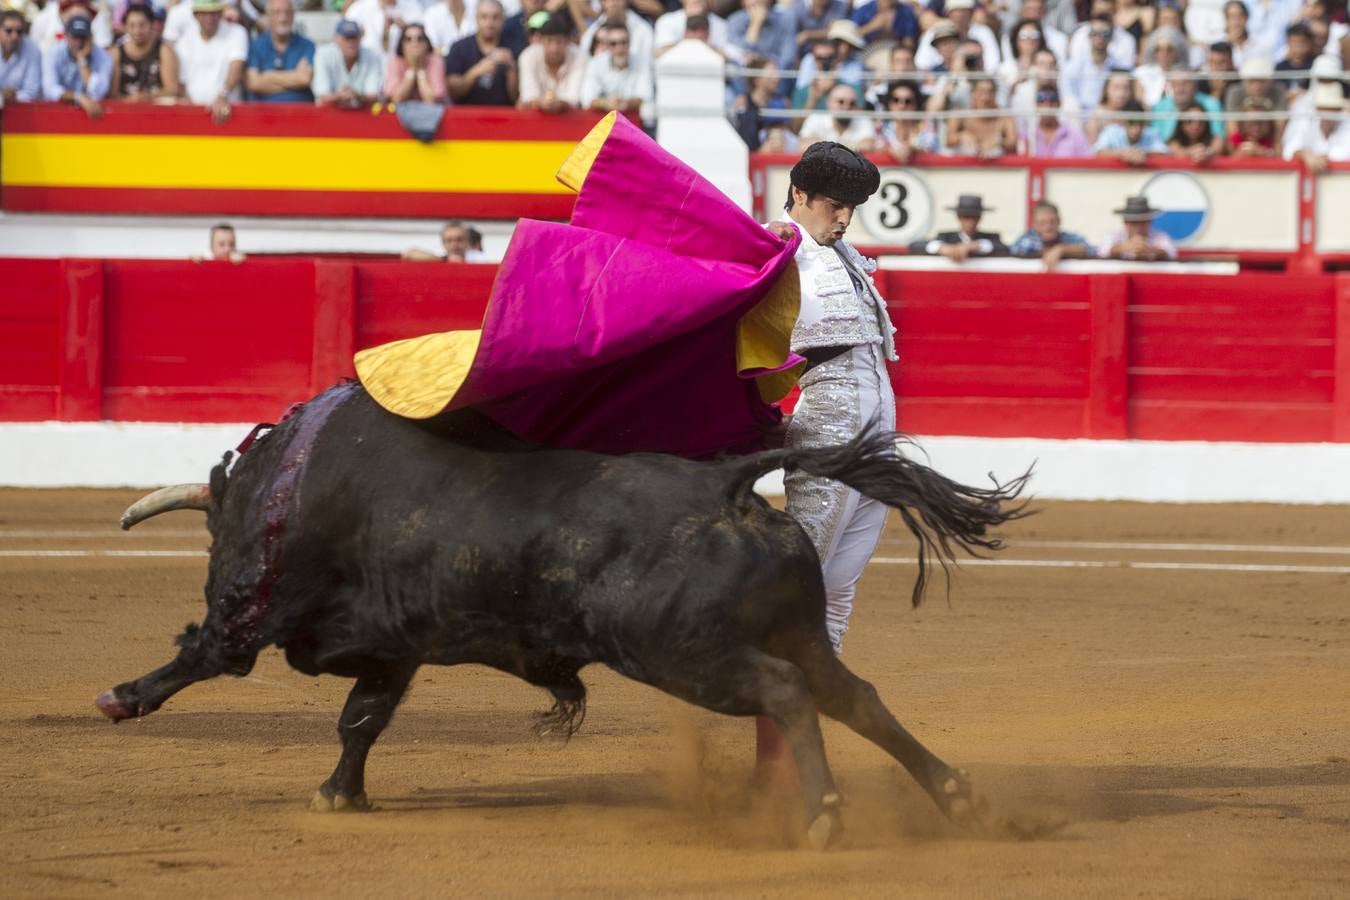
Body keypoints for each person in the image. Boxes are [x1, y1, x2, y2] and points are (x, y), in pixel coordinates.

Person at [765, 141, 897, 659]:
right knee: (802, 577)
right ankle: (771, 722)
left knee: (840, 584)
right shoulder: (776, 243)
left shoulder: (839, 252)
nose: (844, 218)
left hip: (878, 432)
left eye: (851, 208)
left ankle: (808, 711)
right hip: (829, 428)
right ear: (798, 193)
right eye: (833, 205)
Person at [175, 0, 247, 125]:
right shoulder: (184, 40)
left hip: (229, 114)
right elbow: (182, 81)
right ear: (195, 15)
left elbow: (236, 69)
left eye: (214, 13)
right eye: (204, 13)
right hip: (195, 114)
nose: (209, 18)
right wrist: (190, 107)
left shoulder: (236, 32)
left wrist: (222, 96)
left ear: (221, 13)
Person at [444, 0, 517, 106]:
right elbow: (453, 91)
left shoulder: (513, 48)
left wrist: (512, 69)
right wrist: (477, 71)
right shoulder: (459, 48)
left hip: (503, 116)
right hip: (466, 115)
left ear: (503, 20)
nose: (489, 22)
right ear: (476, 18)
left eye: (495, 17)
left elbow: (516, 98)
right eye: (484, 17)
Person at [41, 13, 110, 116]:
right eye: (75, 37)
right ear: (66, 36)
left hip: (90, 118)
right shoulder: (53, 53)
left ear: (91, 38)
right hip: (57, 115)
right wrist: (79, 97)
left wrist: (82, 61)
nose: (79, 42)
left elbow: (99, 92)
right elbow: (50, 89)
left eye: (83, 37)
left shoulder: (103, 57)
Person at [245, 0, 314, 103]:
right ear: (268, 16)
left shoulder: (306, 45)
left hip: (300, 112)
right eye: (277, 13)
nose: (283, 18)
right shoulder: (256, 45)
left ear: (293, 16)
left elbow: (305, 79)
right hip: (263, 114)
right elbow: (253, 83)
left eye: (288, 13)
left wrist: (269, 76)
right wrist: (294, 79)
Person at [581, 21, 652, 118]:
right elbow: (587, 99)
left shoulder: (641, 62)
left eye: (623, 42)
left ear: (630, 43)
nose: (619, 48)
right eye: (614, 44)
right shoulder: (596, 63)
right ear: (607, 45)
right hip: (602, 121)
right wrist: (605, 103)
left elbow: (645, 96)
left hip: (635, 122)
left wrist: (626, 103)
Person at [516, 10, 583, 111]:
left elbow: (574, 97)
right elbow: (528, 95)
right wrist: (540, 103)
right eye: (549, 41)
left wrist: (558, 104)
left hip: (569, 119)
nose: (554, 48)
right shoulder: (528, 56)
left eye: (559, 41)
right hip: (535, 117)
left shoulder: (579, 56)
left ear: (568, 41)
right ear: (540, 40)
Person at [908, 194, 1009, 260]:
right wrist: (942, 247)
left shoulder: (992, 238)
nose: (969, 222)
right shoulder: (945, 237)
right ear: (959, 218)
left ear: (979, 218)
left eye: (973, 217)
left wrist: (974, 245)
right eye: (965, 217)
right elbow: (914, 245)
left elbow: (1004, 248)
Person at [109, 3, 176, 100]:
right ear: (125, 27)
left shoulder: (164, 50)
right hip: (125, 110)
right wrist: (130, 101)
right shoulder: (117, 52)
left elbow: (172, 90)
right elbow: (113, 94)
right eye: (132, 25)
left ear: (152, 24)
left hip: (157, 110)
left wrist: (146, 97)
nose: (137, 30)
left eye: (142, 25)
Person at [312, 17, 383, 108]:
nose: (351, 42)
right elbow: (321, 96)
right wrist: (344, 96)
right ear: (337, 39)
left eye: (354, 37)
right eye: (347, 38)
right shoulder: (323, 55)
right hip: (330, 114)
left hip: (360, 115)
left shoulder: (372, 56)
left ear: (360, 38)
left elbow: (375, 96)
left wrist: (355, 96)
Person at [915, 0, 1000, 72]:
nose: (960, 14)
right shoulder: (934, 31)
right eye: (956, 10)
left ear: (971, 13)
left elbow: (993, 64)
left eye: (964, 10)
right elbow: (922, 64)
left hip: (976, 80)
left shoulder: (984, 31)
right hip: (940, 80)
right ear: (948, 13)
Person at [1283, 80, 1350, 170]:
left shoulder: (1346, 123)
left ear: (1339, 110)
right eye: (1324, 108)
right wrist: (1305, 154)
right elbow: (1289, 149)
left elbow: (1345, 153)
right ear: (1317, 109)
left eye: (1333, 108)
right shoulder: (1306, 121)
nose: (1328, 113)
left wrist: (1313, 157)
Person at [1010, 200, 1095, 269]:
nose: (1048, 227)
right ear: (1034, 225)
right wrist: (1051, 251)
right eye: (1042, 223)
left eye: (1052, 221)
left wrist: (1061, 249)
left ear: (1059, 221)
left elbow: (1089, 249)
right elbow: (1018, 248)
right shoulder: (1028, 238)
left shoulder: (1069, 237)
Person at [1151, 64, 1226, 141]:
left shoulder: (1212, 104)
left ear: (1194, 84)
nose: (1180, 89)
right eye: (1175, 84)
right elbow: (1156, 139)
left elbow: (1219, 136)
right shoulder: (1160, 107)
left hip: (1204, 150)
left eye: (1185, 83)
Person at [946, 76, 1017, 156]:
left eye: (990, 92)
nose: (986, 98)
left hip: (995, 166)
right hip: (966, 166)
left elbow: (1013, 141)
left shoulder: (1004, 117)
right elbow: (948, 140)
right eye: (981, 92)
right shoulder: (961, 115)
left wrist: (999, 142)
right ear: (973, 94)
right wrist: (961, 137)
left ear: (995, 95)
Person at [1062, 13, 1117, 111]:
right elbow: (1067, 94)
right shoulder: (1074, 65)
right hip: (1078, 116)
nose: (1100, 37)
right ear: (1089, 36)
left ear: (1112, 36)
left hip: (1106, 115)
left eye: (1105, 33)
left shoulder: (1117, 66)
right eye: (1095, 33)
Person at [799, 81, 876, 151]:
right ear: (828, 103)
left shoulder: (863, 120)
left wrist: (824, 150)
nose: (846, 107)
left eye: (852, 103)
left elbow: (868, 145)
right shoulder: (815, 118)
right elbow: (804, 145)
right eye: (841, 102)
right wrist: (850, 149)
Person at [1098, 195, 1178, 260]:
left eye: (1142, 222)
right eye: (1134, 223)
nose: (1138, 227)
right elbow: (1102, 251)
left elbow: (1171, 252)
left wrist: (1150, 250)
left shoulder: (1160, 236)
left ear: (1150, 221)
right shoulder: (1114, 236)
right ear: (1125, 222)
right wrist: (1123, 248)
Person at [876, 79, 940, 161]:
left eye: (908, 101)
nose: (901, 105)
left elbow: (932, 151)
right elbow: (874, 149)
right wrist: (889, 150)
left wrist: (912, 150)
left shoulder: (927, 126)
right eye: (896, 100)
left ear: (916, 105)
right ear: (889, 104)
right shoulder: (881, 127)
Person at [384, 21, 446, 101]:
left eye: (420, 39)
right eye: (408, 39)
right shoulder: (394, 61)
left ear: (427, 44)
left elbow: (432, 100)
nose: (414, 43)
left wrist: (420, 70)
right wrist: (412, 70)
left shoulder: (436, 61)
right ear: (401, 45)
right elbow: (396, 99)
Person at [728, 0, 795, 71]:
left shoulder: (784, 20)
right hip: (744, 76)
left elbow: (787, 58)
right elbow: (737, 56)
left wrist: (761, 62)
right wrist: (755, 24)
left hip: (775, 73)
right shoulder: (734, 20)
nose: (757, 1)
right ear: (743, 2)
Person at [1027, 84, 1093, 155]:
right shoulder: (1028, 135)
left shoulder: (1075, 135)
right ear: (1036, 104)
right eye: (1041, 98)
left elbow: (1088, 161)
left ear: (1059, 104)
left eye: (1053, 99)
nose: (1047, 104)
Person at [1093, 99, 1168, 162]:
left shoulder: (1152, 134)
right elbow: (1098, 152)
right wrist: (1121, 154)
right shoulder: (1110, 131)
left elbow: (1165, 154)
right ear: (1122, 122)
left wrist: (1141, 153)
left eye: (1140, 123)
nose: (1136, 128)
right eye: (1131, 122)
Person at [578, 0, 653, 63]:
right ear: (602, 3)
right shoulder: (591, 33)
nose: (614, 2)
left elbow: (647, 66)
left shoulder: (644, 30)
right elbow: (586, 65)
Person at [345, 0, 424, 58]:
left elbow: (424, 42)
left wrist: (406, 29)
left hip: (403, 68)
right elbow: (344, 38)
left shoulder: (413, 7)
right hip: (367, 67)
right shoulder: (359, 8)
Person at [1, 9, 43, 103]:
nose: (14, 36)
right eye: (9, 31)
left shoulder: (33, 50)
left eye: (19, 32)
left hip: (22, 110)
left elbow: (32, 92)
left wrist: (12, 97)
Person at [848, 0, 919, 50]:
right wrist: (872, 26)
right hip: (865, 54)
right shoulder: (864, 10)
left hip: (895, 56)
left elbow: (909, 44)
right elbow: (849, 35)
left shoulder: (906, 12)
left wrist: (891, 33)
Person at [402, 220, 471, 260]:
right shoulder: (439, 260)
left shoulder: (478, 259)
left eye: (459, 239)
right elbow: (409, 253)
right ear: (443, 243)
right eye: (449, 240)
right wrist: (445, 261)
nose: (454, 244)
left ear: (467, 242)